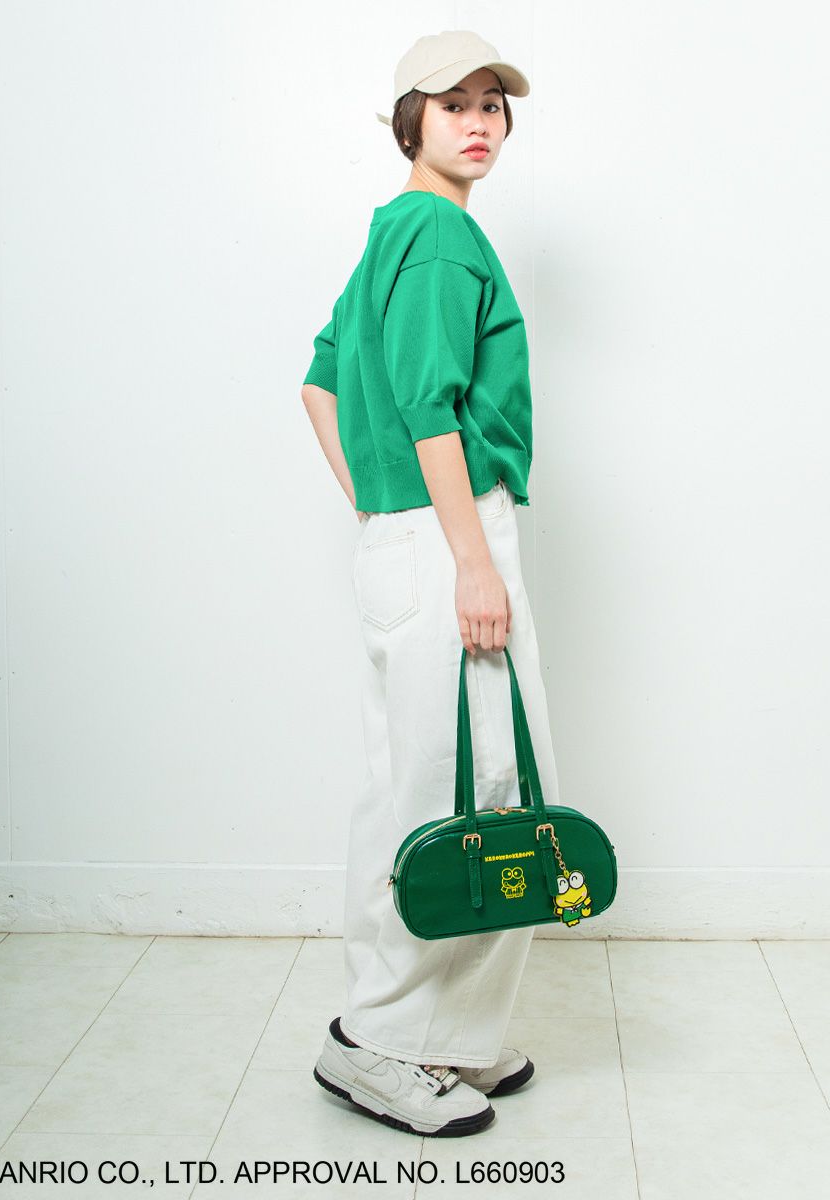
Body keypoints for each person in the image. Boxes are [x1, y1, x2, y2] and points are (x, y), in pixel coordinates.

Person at [299, 31, 562, 1138]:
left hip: (404, 541)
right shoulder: (442, 234)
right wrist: (466, 556)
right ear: (410, 119)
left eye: (493, 105)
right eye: (453, 103)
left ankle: (438, 1030)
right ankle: (382, 1044)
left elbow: (319, 382)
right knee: (476, 792)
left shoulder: (390, 235)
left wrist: (382, 508)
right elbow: (430, 407)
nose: (478, 122)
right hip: (455, 535)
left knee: (412, 789)